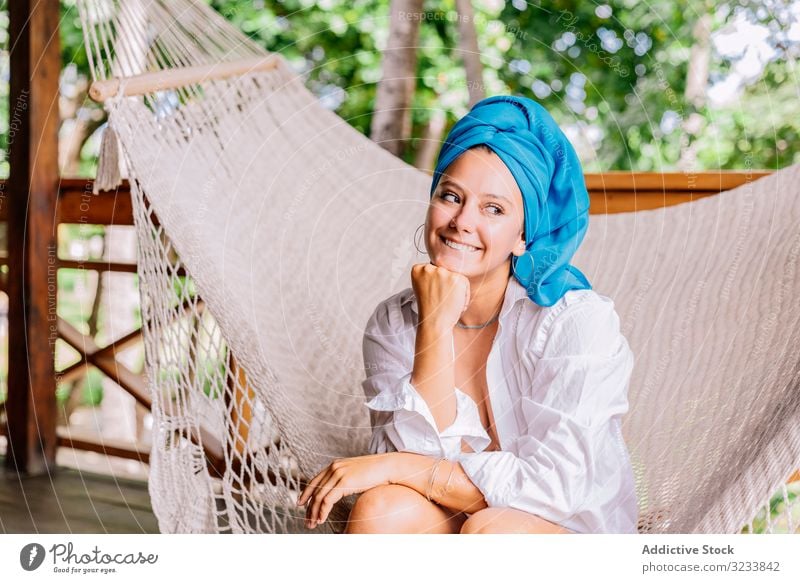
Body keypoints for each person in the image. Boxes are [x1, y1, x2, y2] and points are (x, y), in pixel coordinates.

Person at [296, 95, 639, 534]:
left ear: (523, 236)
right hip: (457, 513)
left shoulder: (575, 321)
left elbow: (555, 489)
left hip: (566, 531)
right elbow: (411, 459)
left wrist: (397, 466)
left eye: (493, 209)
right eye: (451, 196)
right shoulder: (393, 322)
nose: (462, 221)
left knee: (490, 532)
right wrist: (434, 326)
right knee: (381, 509)